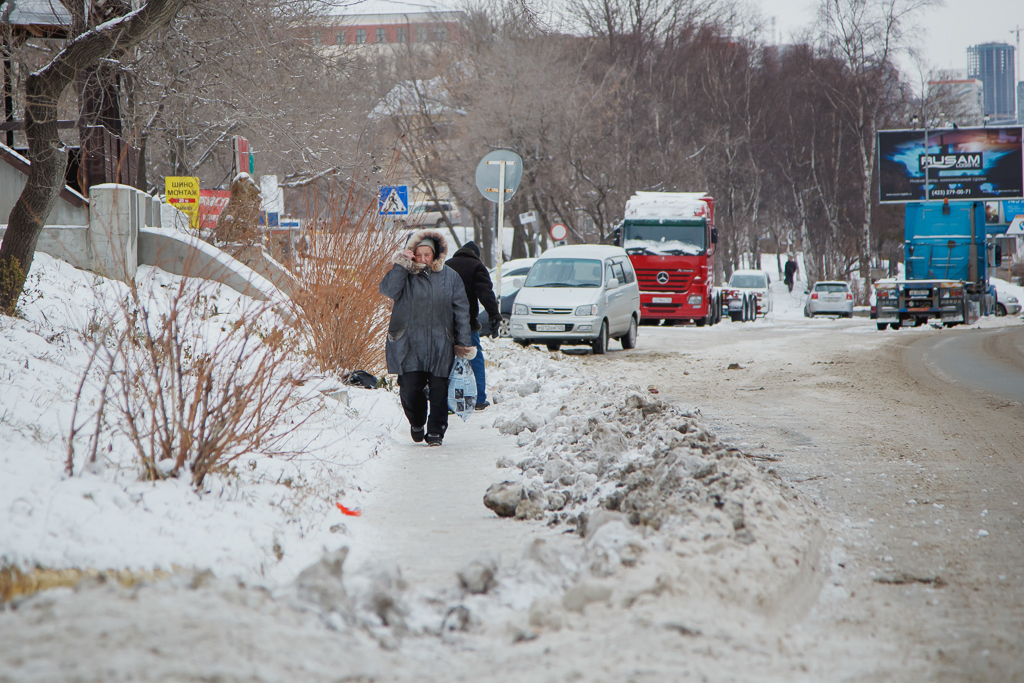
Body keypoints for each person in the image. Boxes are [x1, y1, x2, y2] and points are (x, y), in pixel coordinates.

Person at [379, 229, 476, 447]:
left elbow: (461, 310)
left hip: (441, 344)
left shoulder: (450, 277)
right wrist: (402, 263)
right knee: (410, 389)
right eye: (419, 254)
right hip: (410, 344)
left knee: (439, 390)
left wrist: (462, 342)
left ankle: (436, 432)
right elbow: (387, 290)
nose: (423, 259)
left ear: (435, 254)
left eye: (427, 254)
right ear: (412, 253)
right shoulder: (404, 275)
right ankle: (416, 422)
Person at [445, 241, 500, 411]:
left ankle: (447, 400)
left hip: (444, 322)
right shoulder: (477, 265)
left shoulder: (447, 265)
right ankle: (478, 399)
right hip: (467, 323)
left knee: (446, 360)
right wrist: (494, 314)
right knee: (474, 357)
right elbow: (485, 292)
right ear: (475, 254)